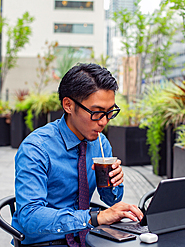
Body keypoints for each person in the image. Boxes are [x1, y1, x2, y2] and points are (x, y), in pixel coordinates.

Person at [11, 63, 143, 247]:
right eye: (97, 113)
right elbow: (30, 217)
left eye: (109, 112)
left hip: (88, 238)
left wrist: (113, 184)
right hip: (47, 241)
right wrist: (94, 217)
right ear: (68, 105)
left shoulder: (100, 143)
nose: (104, 121)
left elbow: (110, 199)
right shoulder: (36, 148)